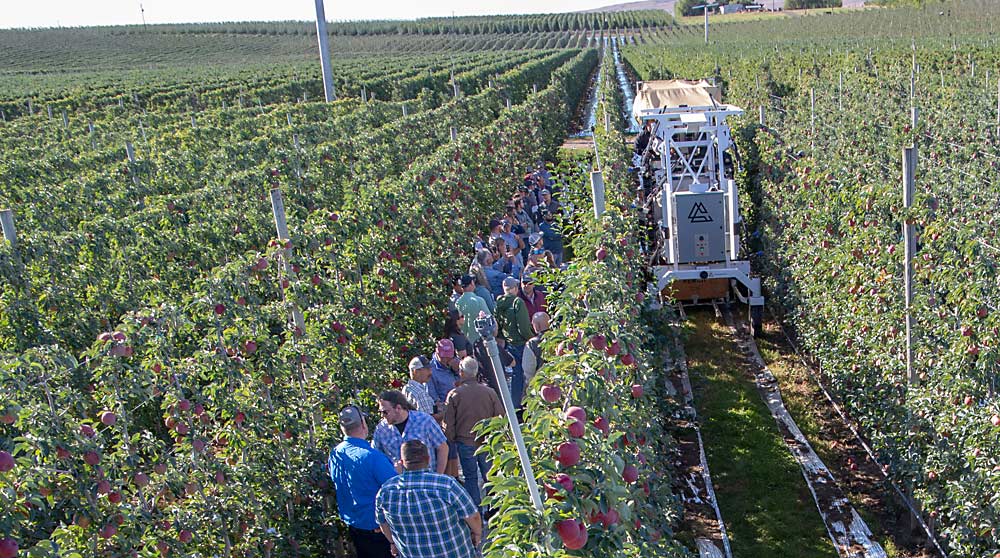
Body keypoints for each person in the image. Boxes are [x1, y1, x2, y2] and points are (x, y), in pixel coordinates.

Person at [376, 440, 482, 558]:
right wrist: (477, 534)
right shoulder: (446, 484)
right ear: (428, 459)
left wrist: (392, 542)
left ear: (401, 463)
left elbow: (382, 522)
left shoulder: (385, 491)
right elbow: (473, 516)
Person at [329, 405, 397, 558]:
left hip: (354, 526)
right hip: (378, 530)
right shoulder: (372, 457)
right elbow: (395, 490)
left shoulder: (336, 453)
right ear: (363, 424)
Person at [443, 358, 504, 509]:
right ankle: (494, 508)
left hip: (465, 442)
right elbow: (501, 416)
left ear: (462, 372)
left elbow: (448, 423)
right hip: (487, 442)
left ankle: (475, 511)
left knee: (470, 478)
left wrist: (450, 439)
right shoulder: (489, 392)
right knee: (490, 477)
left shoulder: (454, 394)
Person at [373, 391, 448, 475]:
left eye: (385, 412)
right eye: (380, 412)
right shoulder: (381, 430)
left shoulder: (424, 421)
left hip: (426, 479)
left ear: (398, 408)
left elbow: (442, 448)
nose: (382, 416)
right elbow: (376, 456)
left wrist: (438, 475)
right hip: (399, 483)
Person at [495, 277, 533, 407]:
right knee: (525, 374)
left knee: (514, 375)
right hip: (521, 343)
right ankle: (521, 405)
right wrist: (531, 338)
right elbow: (523, 326)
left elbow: (498, 324)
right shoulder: (518, 302)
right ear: (515, 289)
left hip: (509, 344)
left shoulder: (499, 302)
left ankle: (513, 405)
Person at [454, 274, 492, 346]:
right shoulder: (479, 300)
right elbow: (489, 319)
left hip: (466, 341)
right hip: (480, 340)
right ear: (472, 283)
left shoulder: (458, 303)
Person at [429, 339, 461, 407]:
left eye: (449, 357)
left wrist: (457, 371)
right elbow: (433, 397)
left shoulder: (457, 363)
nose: (446, 360)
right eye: (443, 357)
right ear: (437, 354)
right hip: (447, 406)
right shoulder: (430, 370)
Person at [522, 312, 550, 386]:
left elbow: (528, 370)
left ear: (536, 326)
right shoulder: (560, 338)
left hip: (542, 383)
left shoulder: (532, 344)